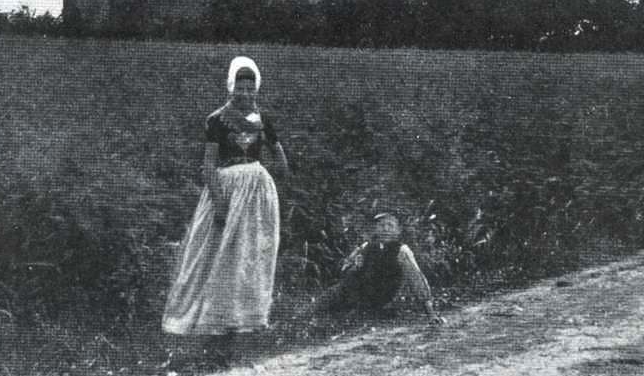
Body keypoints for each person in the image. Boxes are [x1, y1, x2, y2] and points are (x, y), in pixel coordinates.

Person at [162, 55, 289, 340]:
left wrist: (265, 174)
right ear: (231, 87)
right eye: (240, 88)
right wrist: (220, 202)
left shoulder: (263, 120)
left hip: (256, 193)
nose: (245, 93)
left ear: (257, 89)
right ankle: (211, 319)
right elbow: (208, 164)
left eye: (250, 88)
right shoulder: (216, 120)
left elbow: (281, 158)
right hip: (227, 190)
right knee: (218, 252)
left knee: (250, 253)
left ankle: (244, 317)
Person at [310, 212, 444, 325]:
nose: (385, 229)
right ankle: (307, 321)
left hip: (379, 297)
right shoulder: (367, 246)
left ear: (398, 230)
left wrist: (430, 313)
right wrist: (354, 267)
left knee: (350, 313)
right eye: (381, 225)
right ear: (375, 229)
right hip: (355, 291)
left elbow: (416, 279)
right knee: (324, 301)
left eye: (390, 226)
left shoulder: (401, 250)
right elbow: (344, 269)